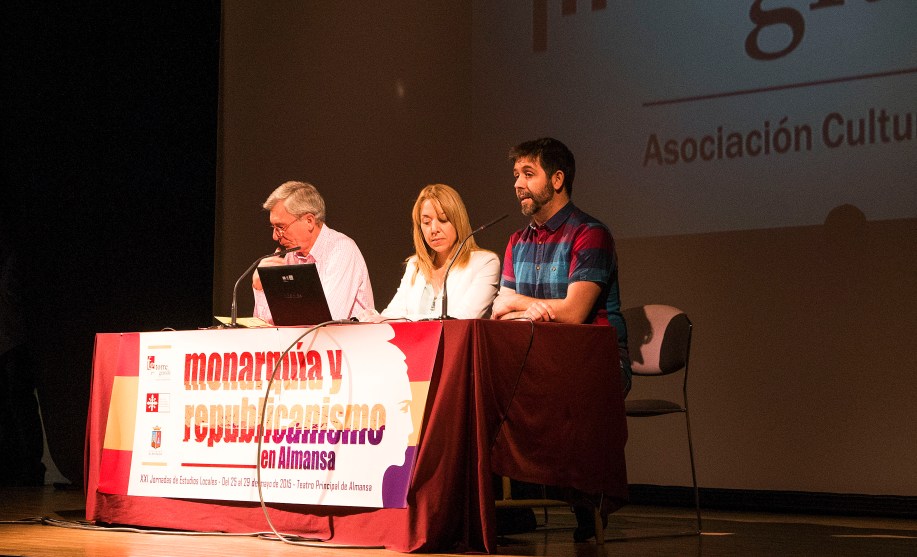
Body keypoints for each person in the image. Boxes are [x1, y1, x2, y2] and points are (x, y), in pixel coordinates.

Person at [491, 137, 630, 542]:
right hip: (537, 359)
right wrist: (527, 308)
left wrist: (523, 303)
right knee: (478, 388)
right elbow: (501, 312)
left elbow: (573, 313)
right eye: (515, 175)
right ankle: (500, 507)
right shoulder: (517, 241)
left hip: (596, 363)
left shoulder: (590, 234)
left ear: (557, 179)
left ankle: (585, 499)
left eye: (528, 174)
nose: (518, 184)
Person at [367, 184, 499, 321]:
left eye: (443, 220)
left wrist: (403, 320)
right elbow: (391, 315)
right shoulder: (415, 265)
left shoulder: (485, 263)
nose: (434, 229)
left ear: (458, 221)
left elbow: (460, 319)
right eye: (426, 222)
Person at [253, 181, 373, 322]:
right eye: (273, 227)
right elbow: (267, 323)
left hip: (346, 336)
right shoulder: (293, 255)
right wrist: (260, 287)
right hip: (309, 336)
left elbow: (326, 320)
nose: (275, 236)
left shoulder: (341, 250)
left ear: (309, 221)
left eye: (281, 227)